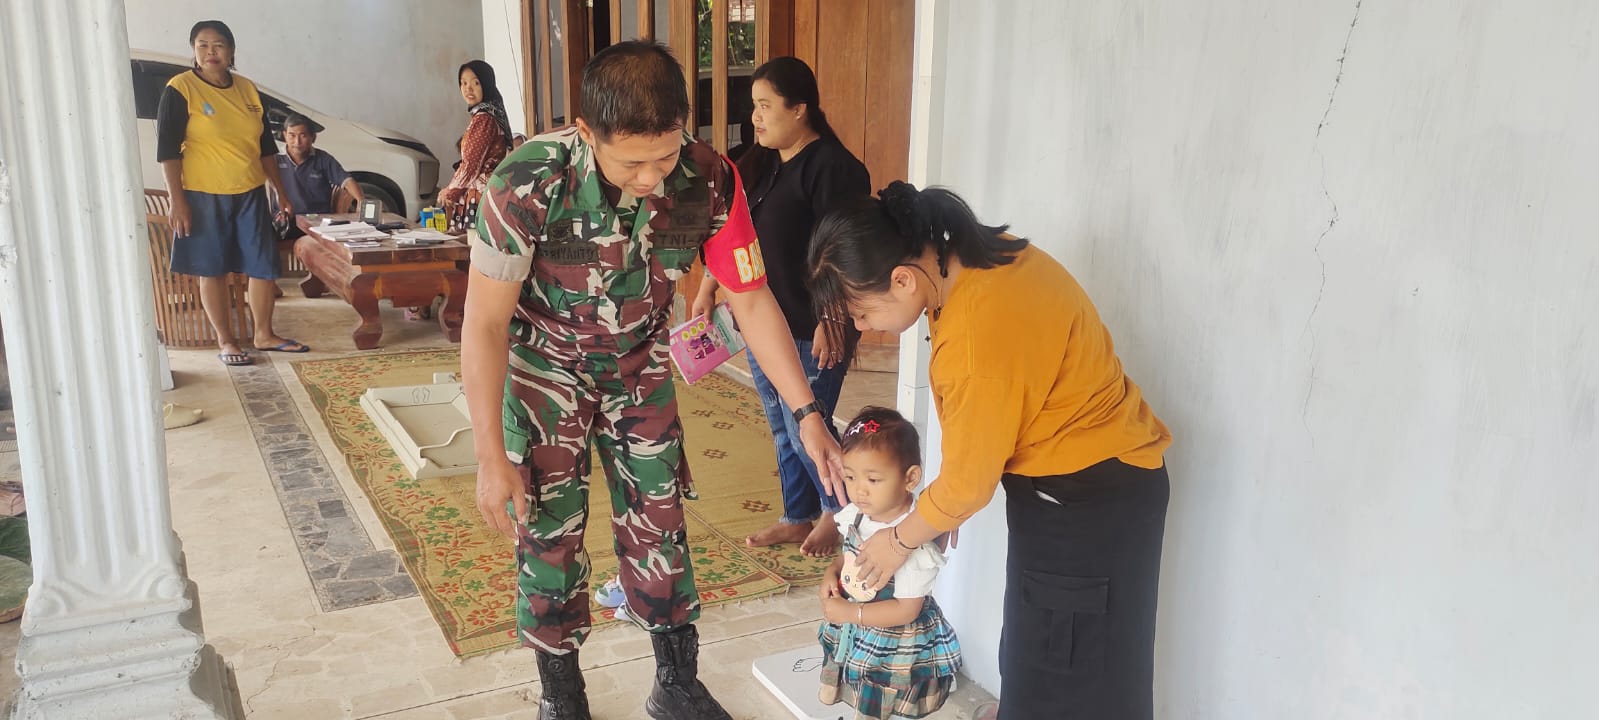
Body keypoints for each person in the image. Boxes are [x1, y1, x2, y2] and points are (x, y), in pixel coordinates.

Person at [462, 41, 845, 720]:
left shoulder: (709, 179)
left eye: (664, 155)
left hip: (639, 367)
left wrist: (806, 410)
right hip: (545, 372)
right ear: (586, 134)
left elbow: (750, 299)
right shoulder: (526, 183)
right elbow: (485, 326)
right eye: (631, 162)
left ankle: (675, 682)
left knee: (660, 521)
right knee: (549, 532)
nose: (651, 177)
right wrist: (491, 456)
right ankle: (563, 695)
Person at [807, 182, 1173, 720]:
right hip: (1103, 489)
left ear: (902, 279)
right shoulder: (976, 262)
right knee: (1086, 664)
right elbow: (979, 446)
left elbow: (969, 484)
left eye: (859, 313)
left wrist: (899, 541)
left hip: (1085, 506)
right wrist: (939, 508)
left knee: (1058, 673)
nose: (862, 328)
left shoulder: (976, 335)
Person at [693, 57, 868, 557]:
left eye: (766, 106)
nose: (757, 117)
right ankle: (798, 515)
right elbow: (734, 237)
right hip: (763, 322)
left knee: (807, 423)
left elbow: (847, 251)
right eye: (755, 107)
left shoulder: (836, 169)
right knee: (781, 424)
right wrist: (709, 288)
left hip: (815, 325)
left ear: (800, 109)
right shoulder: (758, 163)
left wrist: (834, 318)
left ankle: (842, 514)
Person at [157, 20, 309, 364]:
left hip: (250, 192)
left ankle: (264, 334)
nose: (211, 52)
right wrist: (176, 200)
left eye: (219, 45)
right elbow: (168, 150)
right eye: (202, 45)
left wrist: (281, 192)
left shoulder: (247, 88)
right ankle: (226, 342)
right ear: (193, 50)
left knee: (263, 265)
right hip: (202, 194)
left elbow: (265, 147)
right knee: (212, 269)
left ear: (232, 51)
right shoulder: (180, 88)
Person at [817, 406, 962, 720]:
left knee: (877, 688)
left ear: (909, 478)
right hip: (854, 625)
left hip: (890, 637)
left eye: (873, 479)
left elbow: (907, 609)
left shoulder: (914, 542)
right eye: (851, 476)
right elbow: (848, 556)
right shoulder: (857, 515)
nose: (858, 489)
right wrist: (832, 573)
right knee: (846, 664)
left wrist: (851, 613)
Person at [421, 60, 514, 321]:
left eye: (475, 82)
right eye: (463, 83)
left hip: (481, 198)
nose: (468, 88)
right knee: (483, 256)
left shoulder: (483, 119)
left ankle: (477, 315)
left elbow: (470, 165)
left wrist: (449, 192)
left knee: (480, 259)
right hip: (491, 196)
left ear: (487, 84)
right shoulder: (490, 114)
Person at [275, 113, 364, 231]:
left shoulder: (323, 159)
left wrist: (360, 199)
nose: (297, 142)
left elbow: (346, 180)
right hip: (285, 220)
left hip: (316, 222)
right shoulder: (275, 159)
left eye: (303, 136)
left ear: (313, 137)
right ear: (284, 135)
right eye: (292, 135)